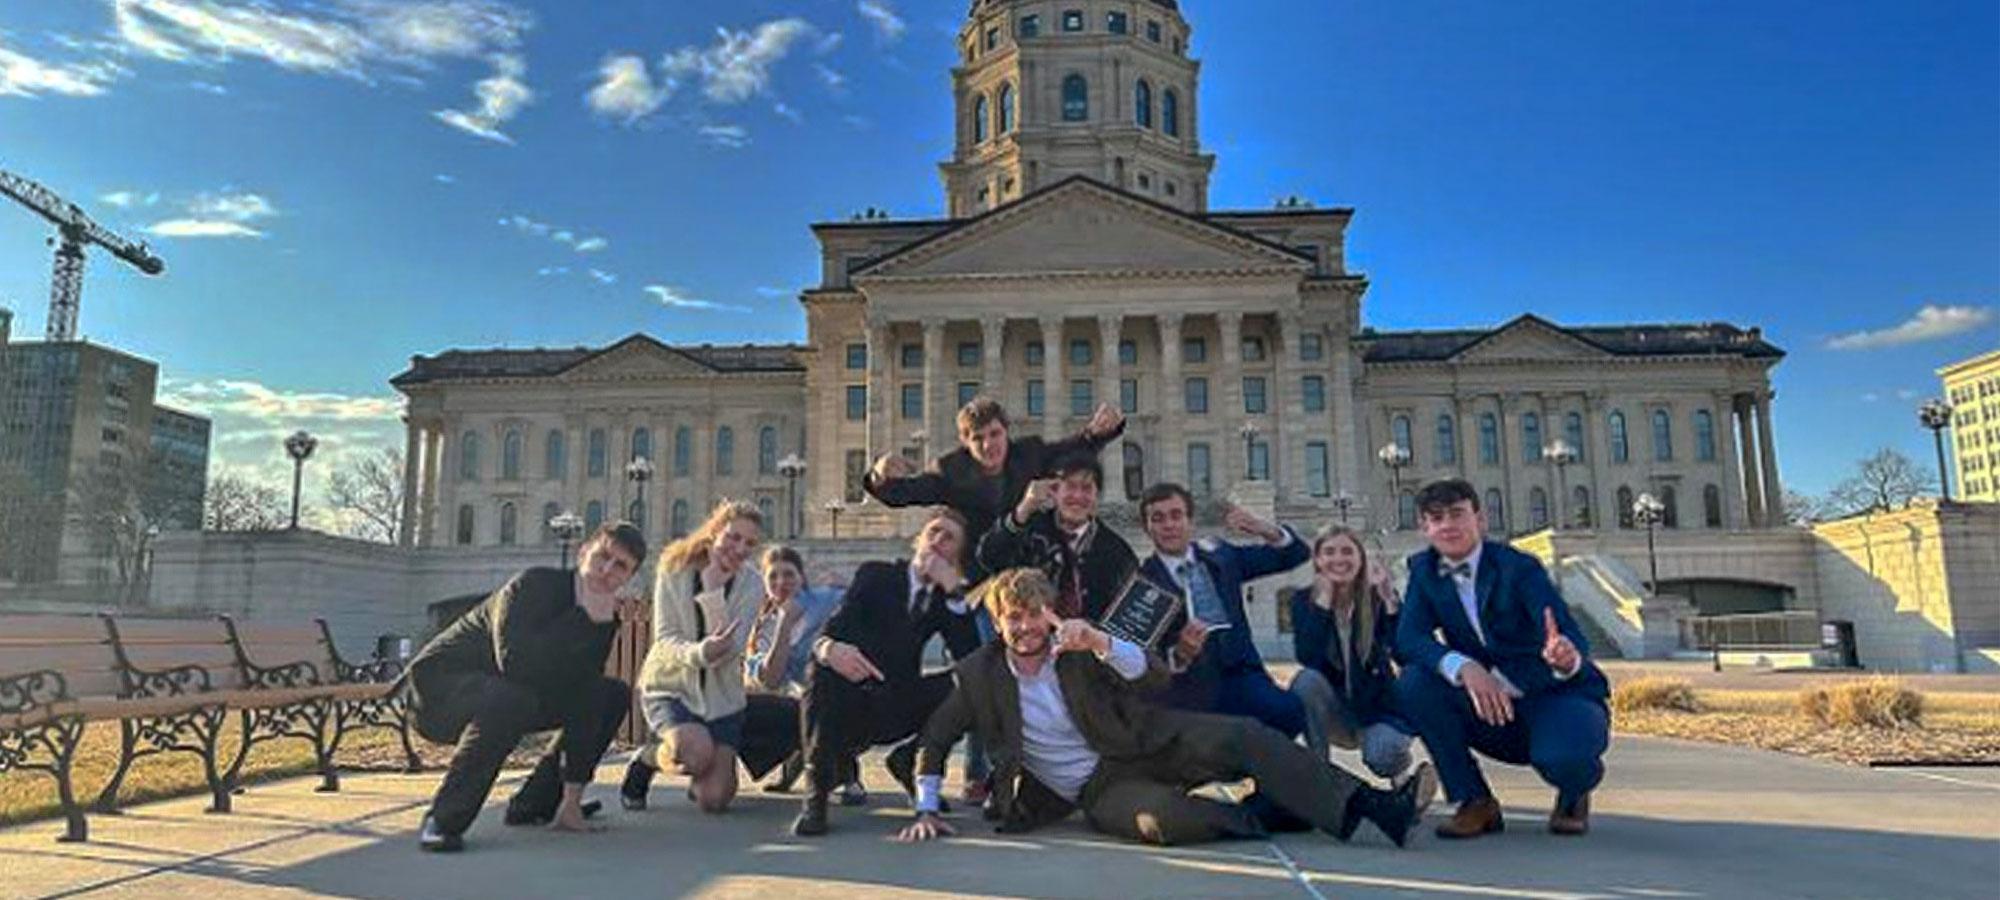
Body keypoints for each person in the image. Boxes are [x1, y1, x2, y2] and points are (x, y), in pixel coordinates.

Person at [896, 568, 1435, 848]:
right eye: (1012, 617)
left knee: (1246, 736)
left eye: (1033, 615)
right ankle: (1275, 810)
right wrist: (925, 808)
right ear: (997, 620)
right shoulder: (978, 676)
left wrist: (1103, 644)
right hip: (1099, 788)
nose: (1024, 627)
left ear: (1049, 614)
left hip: (1147, 739)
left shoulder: (1079, 646)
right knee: (1166, 821)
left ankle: (1378, 808)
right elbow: (936, 739)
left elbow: (1151, 673)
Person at [405, 521, 644, 853]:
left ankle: (537, 803)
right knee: (511, 698)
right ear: (582, 553)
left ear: (628, 578)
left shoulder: (604, 617)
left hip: (515, 694)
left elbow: (585, 692)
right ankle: (443, 820)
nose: (607, 571)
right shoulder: (533, 585)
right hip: (438, 692)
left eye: (621, 567)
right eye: (603, 556)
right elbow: (515, 663)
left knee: (610, 694)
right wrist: (581, 618)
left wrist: (573, 794)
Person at [1394, 478, 1610, 839]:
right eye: (1436, 518)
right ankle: (1474, 800)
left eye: (1457, 514)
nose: (1448, 525)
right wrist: (1462, 666)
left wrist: (1564, 657)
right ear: (1425, 527)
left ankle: (1573, 793)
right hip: (1489, 704)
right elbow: (1409, 637)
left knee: (1565, 760)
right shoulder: (1424, 572)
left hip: (1551, 694)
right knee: (1415, 683)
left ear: (1480, 520)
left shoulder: (1519, 568)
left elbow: (1566, 631)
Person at [792, 508, 982, 836]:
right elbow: (833, 629)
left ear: (956, 556)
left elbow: (971, 658)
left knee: (970, 683)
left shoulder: (944, 600)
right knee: (822, 669)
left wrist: (955, 593)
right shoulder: (877, 575)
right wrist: (829, 649)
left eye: (948, 538)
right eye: (933, 532)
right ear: (917, 540)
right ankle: (816, 793)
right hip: (849, 694)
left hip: (896, 699)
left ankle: (909, 761)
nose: (938, 541)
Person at [624, 501, 796, 815]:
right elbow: (665, 639)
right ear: (715, 530)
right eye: (733, 537)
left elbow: (732, 647)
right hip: (672, 686)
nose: (739, 548)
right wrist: (701, 651)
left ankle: (700, 770)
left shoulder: (752, 583)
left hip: (722, 698)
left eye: (749, 543)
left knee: (714, 799)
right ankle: (647, 759)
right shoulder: (674, 568)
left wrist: (714, 594)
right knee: (694, 753)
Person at [863, 396, 1127, 572]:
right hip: (982, 573)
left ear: (1006, 432)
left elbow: (1072, 450)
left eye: (995, 434)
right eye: (978, 438)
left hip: (1030, 568)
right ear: (965, 441)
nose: (989, 445)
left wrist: (1098, 432)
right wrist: (879, 475)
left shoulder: (1029, 454)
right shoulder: (950, 471)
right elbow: (905, 493)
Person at [1135, 483, 1312, 738]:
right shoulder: (1143, 583)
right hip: (1189, 690)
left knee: (1290, 712)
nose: (1169, 525)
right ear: (1147, 528)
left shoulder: (1222, 557)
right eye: (1158, 518)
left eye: (1176, 515)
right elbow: (1141, 657)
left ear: (1190, 521)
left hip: (1241, 676)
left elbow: (1295, 555)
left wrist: (1265, 529)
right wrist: (1180, 654)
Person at [1285, 526, 1417, 780]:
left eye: (1347, 551)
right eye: (1329, 552)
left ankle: (1401, 775)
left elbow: (1403, 650)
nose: (1338, 559)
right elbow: (1308, 657)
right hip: (1335, 711)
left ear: (1360, 559)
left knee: (1383, 756)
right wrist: (1323, 602)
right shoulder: (1304, 601)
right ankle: (1319, 776)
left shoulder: (1376, 598)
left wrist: (1388, 596)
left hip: (1377, 710)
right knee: (1305, 680)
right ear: (1317, 559)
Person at [741, 545, 853, 799]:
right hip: (803, 699)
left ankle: (847, 776)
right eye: (773, 576)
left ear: (801, 577)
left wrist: (847, 585)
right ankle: (800, 765)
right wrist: (784, 623)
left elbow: (863, 601)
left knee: (824, 698)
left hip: (841, 690)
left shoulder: (823, 599)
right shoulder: (762, 627)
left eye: (789, 574)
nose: (782, 582)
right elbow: (771, 679)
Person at [974, 453, 1138, 622]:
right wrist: (1024, 509)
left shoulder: (1116, 551)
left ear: (1097, 495)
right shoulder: (1030, 530)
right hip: (1030, 636)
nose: (1077, 497)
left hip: (1087, 642)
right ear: (1054, 490)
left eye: (1086, 488)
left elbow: (1129, 611)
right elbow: (988, 557)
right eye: (1070, 487)